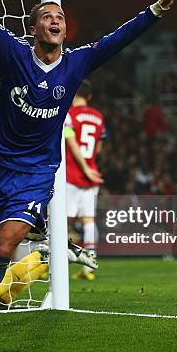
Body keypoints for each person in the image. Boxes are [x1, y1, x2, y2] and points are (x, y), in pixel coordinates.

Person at [0, 0, 177, 346]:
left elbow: (118, 38)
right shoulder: (14, 54)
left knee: (3, 247)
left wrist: (159, 8)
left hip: (36, 173)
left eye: (59, 16)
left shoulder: (76, 65)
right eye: (47, 16)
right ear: (34, 27)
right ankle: (28, 230)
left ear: (64, 28)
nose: (55, 20)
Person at [64, 80, 105, 281]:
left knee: (62, 220)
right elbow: (98, 147)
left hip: (72, 173)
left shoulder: (69, 115)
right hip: (92, 175)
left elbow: (70, 141)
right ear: (89, 97)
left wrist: (84, 168)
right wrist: (90, 165)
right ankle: (90, 266)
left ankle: (50, 262)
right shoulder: (98, 117)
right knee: (88, 220)